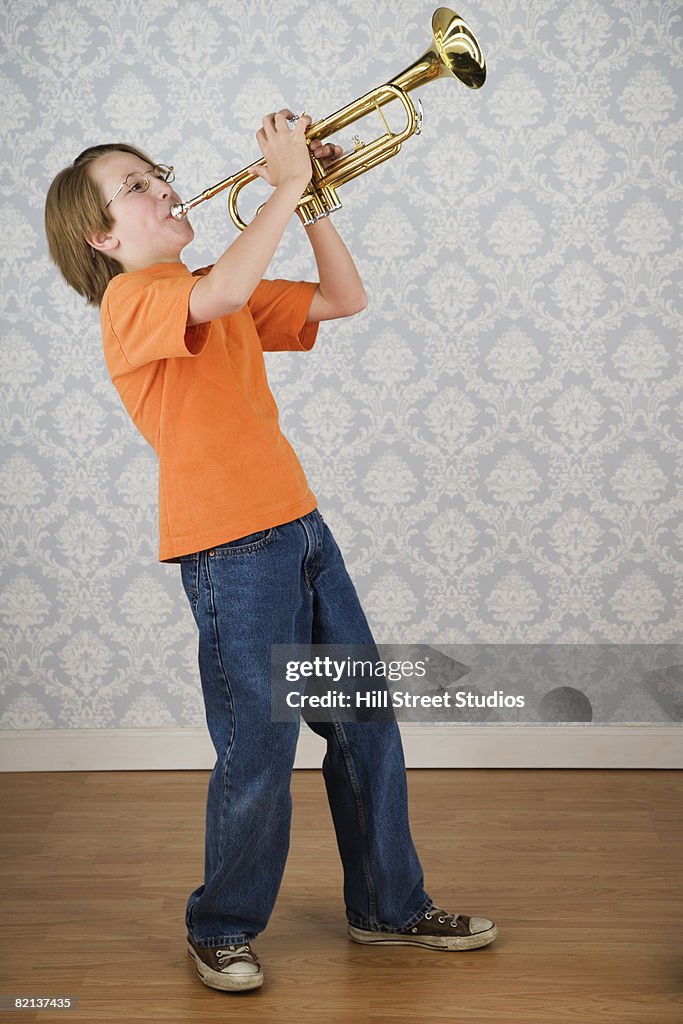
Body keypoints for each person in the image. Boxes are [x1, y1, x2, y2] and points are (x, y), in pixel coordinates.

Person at [44, 108, 497, 993]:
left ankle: (389, 907)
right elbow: (208, 300)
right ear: (99, 236)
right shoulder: (132, 302)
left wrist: (317, 196)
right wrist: (284, 184)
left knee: (365, 722)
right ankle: (220, 926)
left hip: (300, 530)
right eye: (135, 186)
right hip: (230, 552)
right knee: (259, 739)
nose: (165, 186)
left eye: (158, 171)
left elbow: (342, 300)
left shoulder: (225, 276)